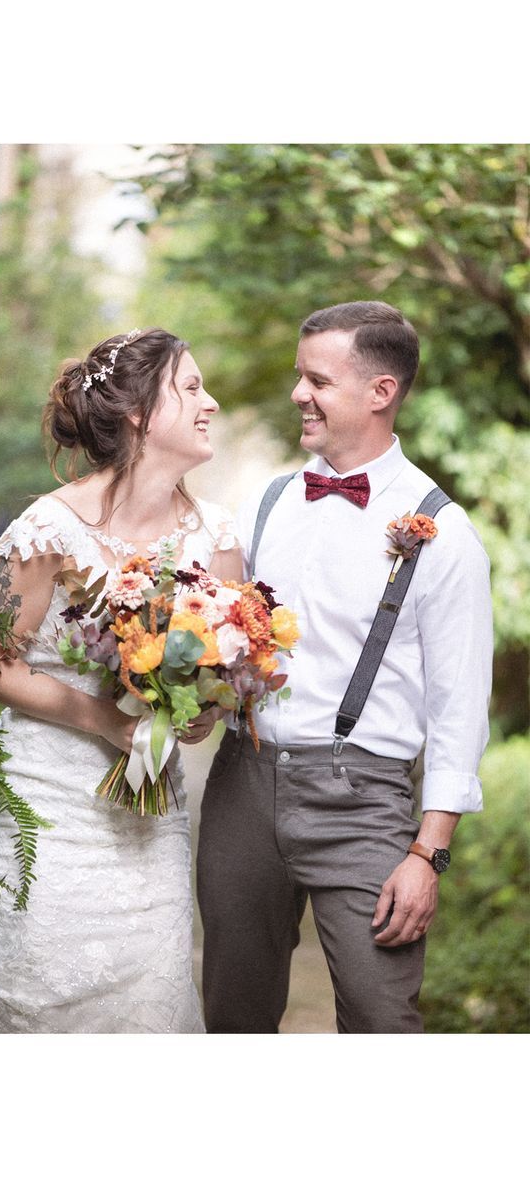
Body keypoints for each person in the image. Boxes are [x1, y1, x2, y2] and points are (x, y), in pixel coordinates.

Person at [199, 301, 491, 1033]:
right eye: (301, 377)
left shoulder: (445, 534)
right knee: (232, 1014)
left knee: (380, 1018)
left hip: (361, 800)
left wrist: (429, 853)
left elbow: (460, 709)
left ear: (380, 392)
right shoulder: (270, 500)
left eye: (317, 380)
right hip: (244, 783)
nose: (299, 393)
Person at [0, 329, 236, 1032]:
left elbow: (224, 667)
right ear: (140, 412)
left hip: (150, 829)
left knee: (150, 1006)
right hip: (47, 813)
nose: (212, 403)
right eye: (193, 387)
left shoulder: (218, 540)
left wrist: (196, 711)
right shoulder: (46, 528)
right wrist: (102, 719)